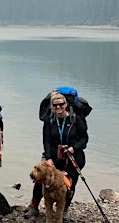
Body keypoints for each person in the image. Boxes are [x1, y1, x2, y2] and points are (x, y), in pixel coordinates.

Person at [25, 92, 88, 220]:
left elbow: (84, 138)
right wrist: (48, 158)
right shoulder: (49, 119)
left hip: (73, 158)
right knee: (39, 180)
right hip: (53, 156)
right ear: (52, 106)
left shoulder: (76, 119)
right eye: (55, 105)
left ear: (66, 104)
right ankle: (34, 206)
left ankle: (64, 208)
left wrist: (72, 148)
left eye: (61, 104)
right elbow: (46, 140)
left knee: (69, 184)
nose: (58, 107)